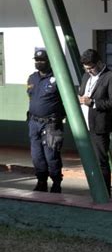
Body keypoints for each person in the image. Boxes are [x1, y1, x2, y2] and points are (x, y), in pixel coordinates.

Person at [79, 49, 112, 197]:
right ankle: (93, 189)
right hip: (83, 124)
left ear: (99, 63)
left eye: (91, 68)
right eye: (86, 68)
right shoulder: (85, 76)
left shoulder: (111, 77)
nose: (89, 71)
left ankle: (104, 193)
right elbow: (82, 93)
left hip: (99, 126)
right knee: (88, 160)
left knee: (101, 161)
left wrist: (93, 102)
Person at [27, 49, 66, 193]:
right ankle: (41, 181)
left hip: (50, 124)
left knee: (52, 156)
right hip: (34, 123)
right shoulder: (32, 78)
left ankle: (56, 183)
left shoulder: (58, 79)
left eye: (42, 60)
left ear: (49, 61)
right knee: (37, 156)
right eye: (36, 60)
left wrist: (58, 118)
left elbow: (66, 102)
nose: (38, 63)